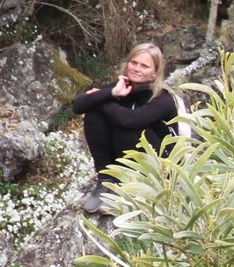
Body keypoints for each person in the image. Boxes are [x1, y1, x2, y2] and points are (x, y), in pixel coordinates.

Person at [69, 41, 178, 213]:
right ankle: (107, 180)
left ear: (154, 74)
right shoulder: (120, 87)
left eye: (144, 66)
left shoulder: (162, 98)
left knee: (126, 124)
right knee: (94, 116)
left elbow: (131, 120)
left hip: (160, 165)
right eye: (134, 63)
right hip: (126, 157)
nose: (136, 68)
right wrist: (110, 93)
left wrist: (100, 99)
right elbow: (78, 106)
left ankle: (126, 189)